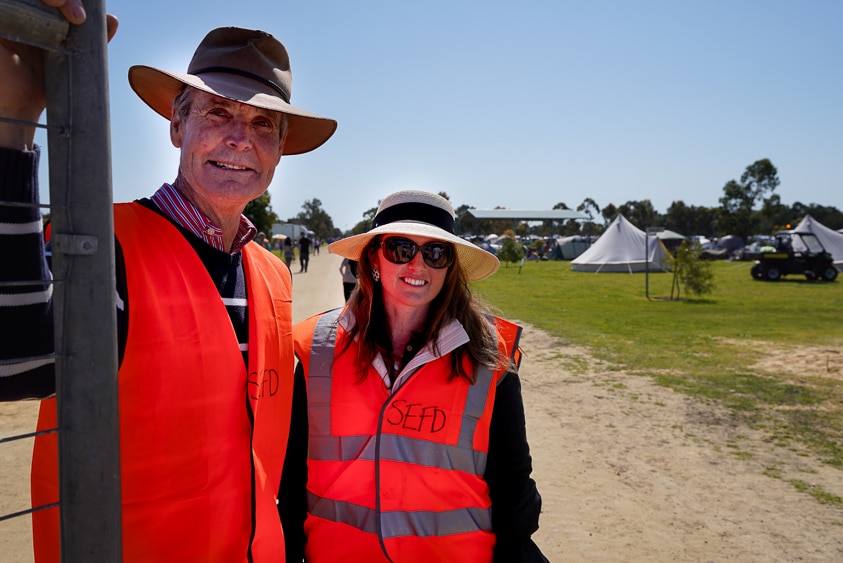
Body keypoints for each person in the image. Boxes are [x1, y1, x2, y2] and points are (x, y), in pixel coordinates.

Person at [0, 2, 336, 560]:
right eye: (218, 113)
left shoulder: (272, 273)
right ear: (178, 124)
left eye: (262, 125)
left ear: (278, 152)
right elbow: (16, 364)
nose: (240, 139)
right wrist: (12, 121)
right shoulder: (107, 244)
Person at [292, 190, 548, 562]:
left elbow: (514, 491)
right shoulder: (319, 350)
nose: (418, 265)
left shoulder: (489, 357)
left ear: (449, 268)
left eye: (436, 253)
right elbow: (290, 480)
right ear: (374, 259)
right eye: (400, 248)